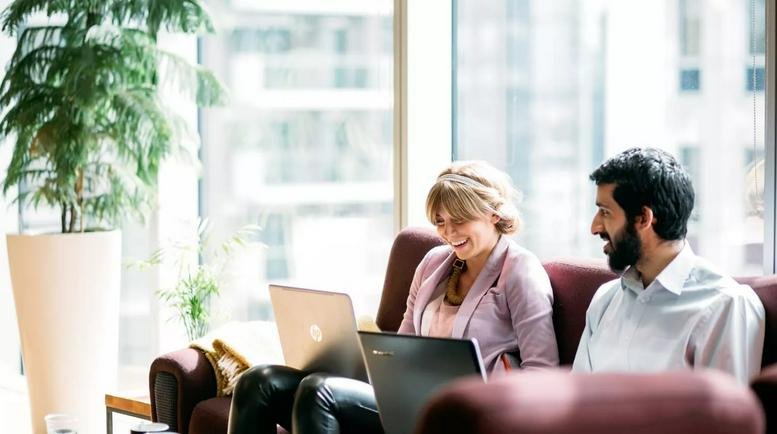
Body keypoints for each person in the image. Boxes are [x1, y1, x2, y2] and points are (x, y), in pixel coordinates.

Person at [228, 161, 559, 434]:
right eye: (440, 222)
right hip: (406, 397)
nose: (449, 232)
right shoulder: (433, 264)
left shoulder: (520, 272)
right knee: (259, 381)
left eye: (460, 220)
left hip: (461, 414)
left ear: (494, 215)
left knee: (320, 391)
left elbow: (542, 373)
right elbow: (402, 344)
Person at [573, 147, 765, 384]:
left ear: (644, 218)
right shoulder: (605, 300)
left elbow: (727, 417)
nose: (595, 227)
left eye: (605, 212)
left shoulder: (726, 305)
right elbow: (579, 400)